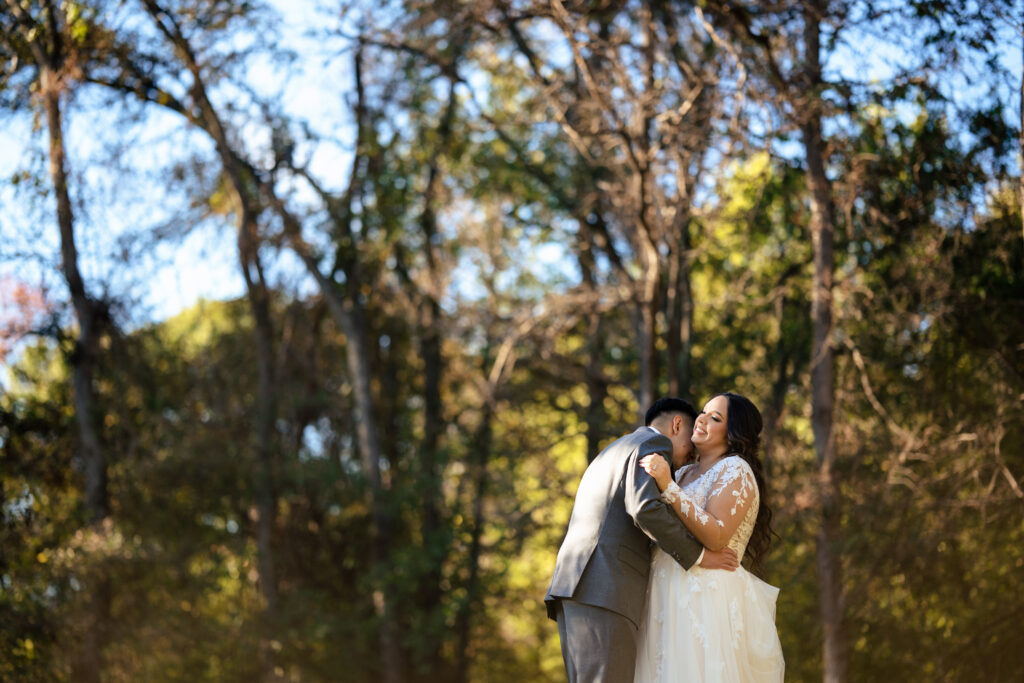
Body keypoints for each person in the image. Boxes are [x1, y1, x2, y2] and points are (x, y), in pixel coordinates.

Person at [545, 398, 741, 683]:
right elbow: (644, 508)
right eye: (690, 446)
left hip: (578, 585)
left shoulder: (614, 449)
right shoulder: (654, 445)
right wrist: (700, 556)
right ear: (677, 425)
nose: (690, 456)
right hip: (606, 587)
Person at [634, 392, 785, 683]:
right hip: (665, 595)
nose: (701, 419)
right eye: (703, 412)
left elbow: (717, 535)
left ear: (733, 433)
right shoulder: (685, 472)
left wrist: (668, 487)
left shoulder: (735, 469)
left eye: (715, 417)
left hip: (705, 596)